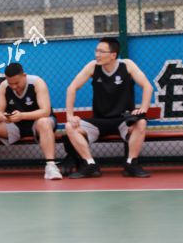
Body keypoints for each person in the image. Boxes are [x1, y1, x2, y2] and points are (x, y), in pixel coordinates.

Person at [65, 37, 153, 178]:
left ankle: (131, 163)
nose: (97, 54)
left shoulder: (127, 65)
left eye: (101, 51)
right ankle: (89, 164)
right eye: (96, 51)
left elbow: (147, 87)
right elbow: (72, 88)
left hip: (124, 120)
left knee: (141, 122)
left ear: (113, 55)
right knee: (70, 127)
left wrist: (143, 109)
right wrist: (70, 115)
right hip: (99, 121)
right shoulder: (93, 66)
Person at [0, 63, 63, 181]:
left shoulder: (37, 83)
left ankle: (51, 166)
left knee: (44, 122)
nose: (14, 86)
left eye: (17, 83)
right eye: (10, 83)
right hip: (16, 124)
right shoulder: (4, 86)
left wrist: (22, 115)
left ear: (24, 75)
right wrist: (4, 117)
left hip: (38, 123)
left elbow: (46, 111)